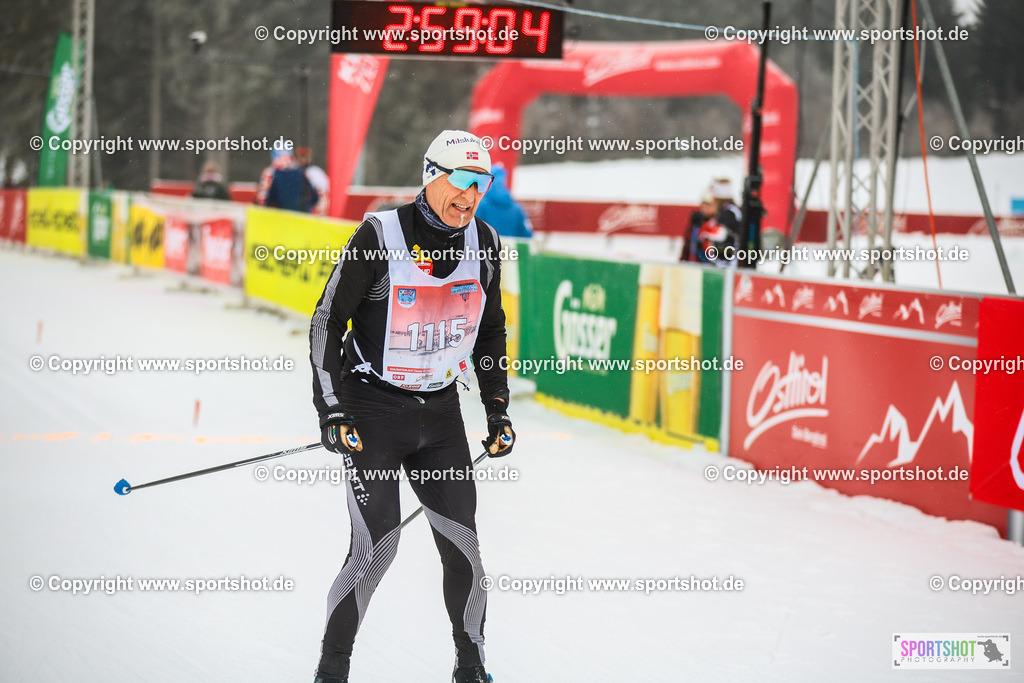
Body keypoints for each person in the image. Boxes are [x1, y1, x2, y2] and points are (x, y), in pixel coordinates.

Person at [308, 130, 515, 683]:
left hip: (441, 415)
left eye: (482, 183)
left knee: (463, 547)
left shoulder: (486, 243)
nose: (471, 195)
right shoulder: (381, 234)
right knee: (377, 545)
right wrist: (332, 408)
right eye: (461, 181)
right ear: (432, 177)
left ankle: (470, 668)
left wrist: (497, 409)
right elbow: (327, 321)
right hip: (372, 409)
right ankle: (332, 672)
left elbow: (490, 331)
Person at [680, 178, 740, 266]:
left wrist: (703, 229)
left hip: (727, 266)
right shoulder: (722, 213)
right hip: (719, 264)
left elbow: (721, 235)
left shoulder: (729, 213)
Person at [473, 163, 532, 239]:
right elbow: (527, 236)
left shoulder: (481, 205)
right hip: (511, 250)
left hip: (487, 249)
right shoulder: (516, 208)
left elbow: (472, 232)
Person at [255, 147, 318, 213]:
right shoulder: (302, 173)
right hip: (301, 216)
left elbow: (264, 200)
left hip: (282, 216)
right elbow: (315, 198)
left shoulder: (272, 173)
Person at [296, 146, 331, 216]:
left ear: (309, 158)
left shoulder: (315, 172)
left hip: (314, 209)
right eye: (301, 157)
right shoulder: (296, 172)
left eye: (305, 157)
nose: (303, 159)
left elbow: (323, 193)